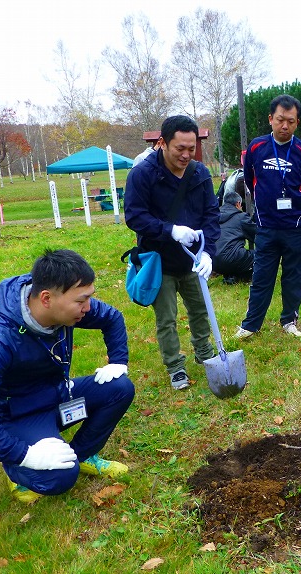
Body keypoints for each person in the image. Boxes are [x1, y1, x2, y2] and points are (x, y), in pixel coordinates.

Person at [0, 249, 135, 504]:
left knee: (119, 388)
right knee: (59, 477)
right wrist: (26, 455)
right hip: (19, 415)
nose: (89, 307)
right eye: (81, 300)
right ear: (47, 298)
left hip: (57, 395)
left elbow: (112, 318)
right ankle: (17, 472)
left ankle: (80, 455)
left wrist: (118, 361)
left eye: (89, 297)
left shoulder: (65, 308)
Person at [124, 115, 220, 391]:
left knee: (200, 310)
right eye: (181, 148)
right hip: (159, 260)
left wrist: (208, 252)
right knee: (166, 318)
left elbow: (211, 215)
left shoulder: (199, 174)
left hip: (193, 259)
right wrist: (169, 230)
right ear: (163, 143)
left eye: (192, 149)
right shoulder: (142, 174)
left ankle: (205, 353)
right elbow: (135, 216)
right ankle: (175, 366)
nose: (187, 155)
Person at [235, 95, 301, 339]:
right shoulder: (256, 147)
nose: (285, 126)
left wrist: (297, 207)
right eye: (280, 120)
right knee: (262, 276)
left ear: (297, 123)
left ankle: (289, 320)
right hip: (266, 226)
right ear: (270, 119)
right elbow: (250, 179)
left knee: (294, 276)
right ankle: (251, 325)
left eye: (291, 121)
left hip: (296, 227)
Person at [213, 169, 256, 283]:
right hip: (231, 258)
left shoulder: (214, 216)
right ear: (238, 204)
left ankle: (230, 276)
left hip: (212, 262)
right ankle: (243, 276)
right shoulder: (241, 217)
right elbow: (256, 235)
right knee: (261, 255)